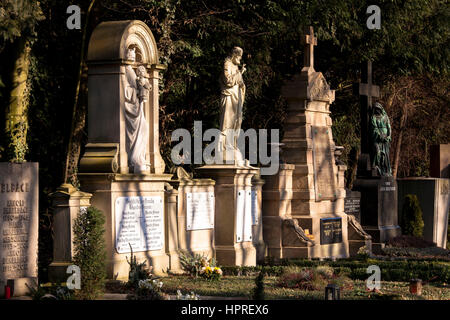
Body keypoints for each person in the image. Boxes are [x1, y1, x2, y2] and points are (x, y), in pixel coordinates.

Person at [123, 48, 149, 173]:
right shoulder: (124, 70)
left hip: (138, 107)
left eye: (134, 55)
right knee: (139, 131)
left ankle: (139, 157)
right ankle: (134, 158)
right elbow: (124, 90)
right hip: (132, 108)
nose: (133, 58)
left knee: (145, 129)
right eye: (130, 55)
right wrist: (137, 92)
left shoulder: (131, 70)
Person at [219, 46, 246, 163]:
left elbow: (240, 83)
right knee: (227, 123)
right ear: (234, 55)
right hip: (229, 97)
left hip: (237, 98)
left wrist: (240, 75)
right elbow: (228, 81)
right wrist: (239, 73)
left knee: (236, 123)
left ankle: (233, 146)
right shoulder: (227, 64)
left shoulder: (235, 67)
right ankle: (224, 148)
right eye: (239, 57)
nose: (240, 60)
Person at [370, 102, 392, 176]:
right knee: (377, 152)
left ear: (381, 109)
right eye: (375, 109)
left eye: (378, 109)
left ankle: (386, 170)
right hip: (377, 139)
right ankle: (376, 166)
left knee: (386, 156)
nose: (377, 111)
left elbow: (389, 128)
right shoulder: (373, 118)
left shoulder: (385, 117)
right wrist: (380, 136)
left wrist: (388, 136)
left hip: (385, 140)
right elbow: (374, 129)